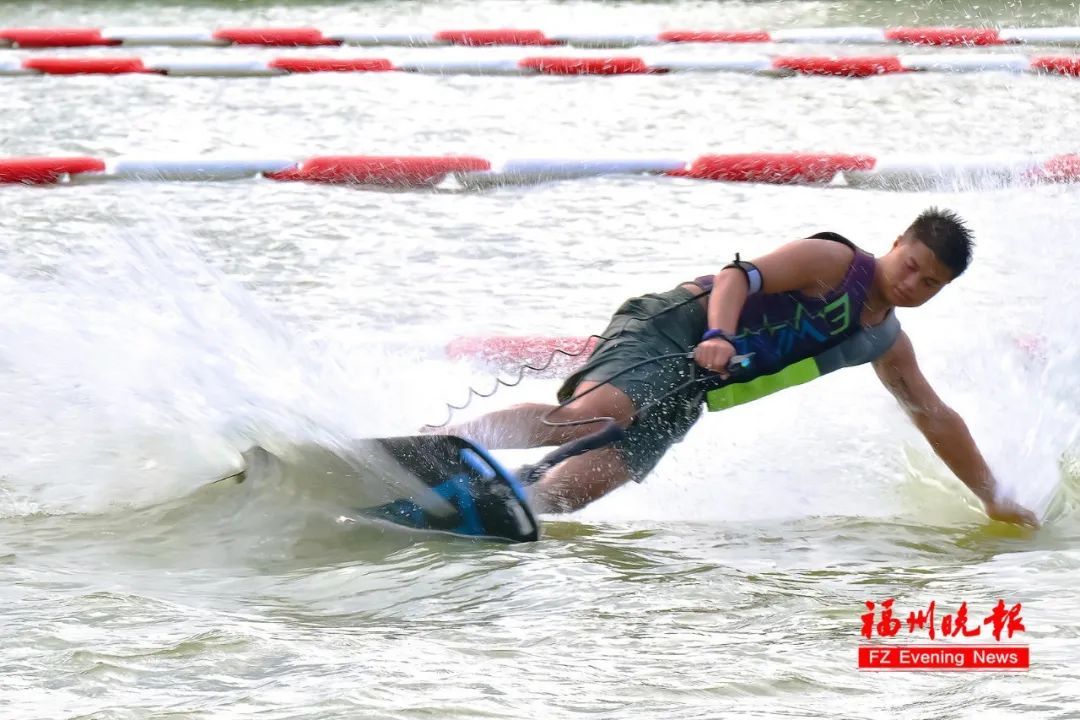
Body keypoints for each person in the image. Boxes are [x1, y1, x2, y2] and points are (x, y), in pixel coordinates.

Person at [438, 208, 1038, 526]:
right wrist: (720, 332)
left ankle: (501, 510)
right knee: (592, 415)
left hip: (693, 387)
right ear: (899, 241)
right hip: (672, 329)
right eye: (912, 265)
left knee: (586, 485)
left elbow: (935, 418)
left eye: (931, 284)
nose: (913, 284)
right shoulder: (834, 261)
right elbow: (738, 275)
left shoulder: (885, 340)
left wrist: (994, 499)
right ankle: (439, 445)